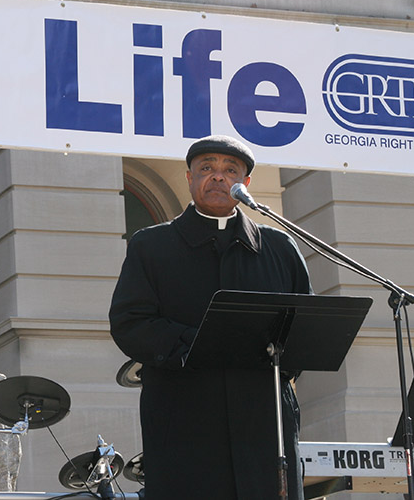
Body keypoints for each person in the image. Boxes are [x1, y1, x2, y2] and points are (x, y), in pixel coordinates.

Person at [109, 135, 312, 499]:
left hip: (264, 428)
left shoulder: (279, 248)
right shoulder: (151, 246)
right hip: (184, 423)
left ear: (245, 184)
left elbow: (303, 328)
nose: (218, 177)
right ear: (189, 178)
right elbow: (131, 323)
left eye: (229, 170)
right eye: (207, 168)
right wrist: (196, 345)